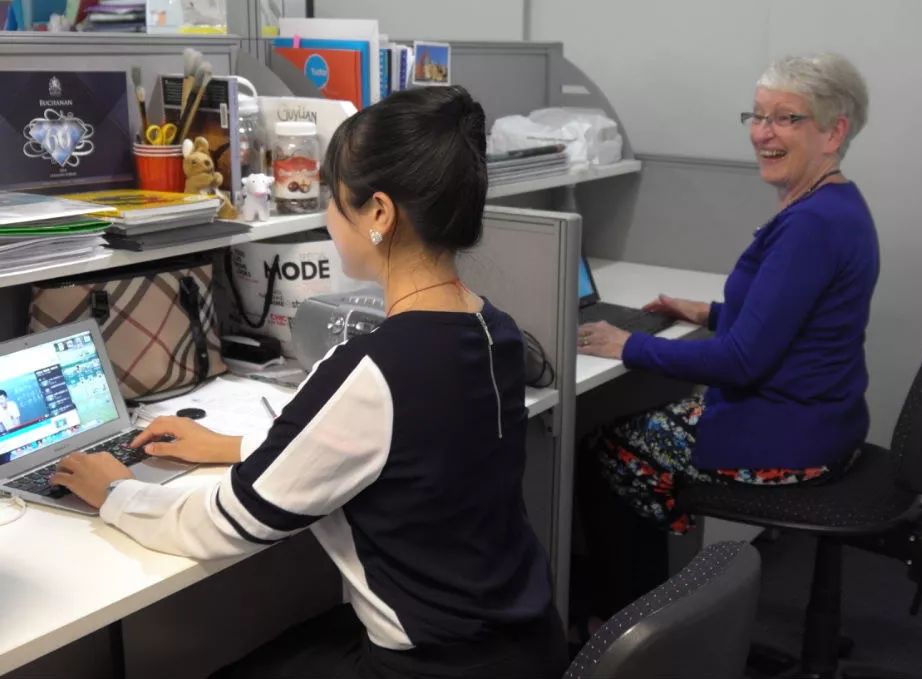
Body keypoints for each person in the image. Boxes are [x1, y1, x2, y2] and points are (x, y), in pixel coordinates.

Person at [50, 85, 568, 679]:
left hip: (432, 667)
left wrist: (117, 492)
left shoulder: (373, 370)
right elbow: (409, 451)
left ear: (378, 213)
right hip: (523, 646)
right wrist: (234, 447)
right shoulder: (494, 330)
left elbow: (225, 525)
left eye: (332, 198)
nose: (326, 215)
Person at [576, 53, 878, 624]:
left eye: (786, 118)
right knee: (635, 420)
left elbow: (742, 362)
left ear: (834, 130)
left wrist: (628, 345)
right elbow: (792, 316)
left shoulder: (811, 224)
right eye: (757, 115)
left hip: (790, 437)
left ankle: (630, 627)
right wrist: (709, 310)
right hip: (825, 419)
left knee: (611, 445)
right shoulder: (835, 204)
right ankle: (634, 606)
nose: (763, 133)